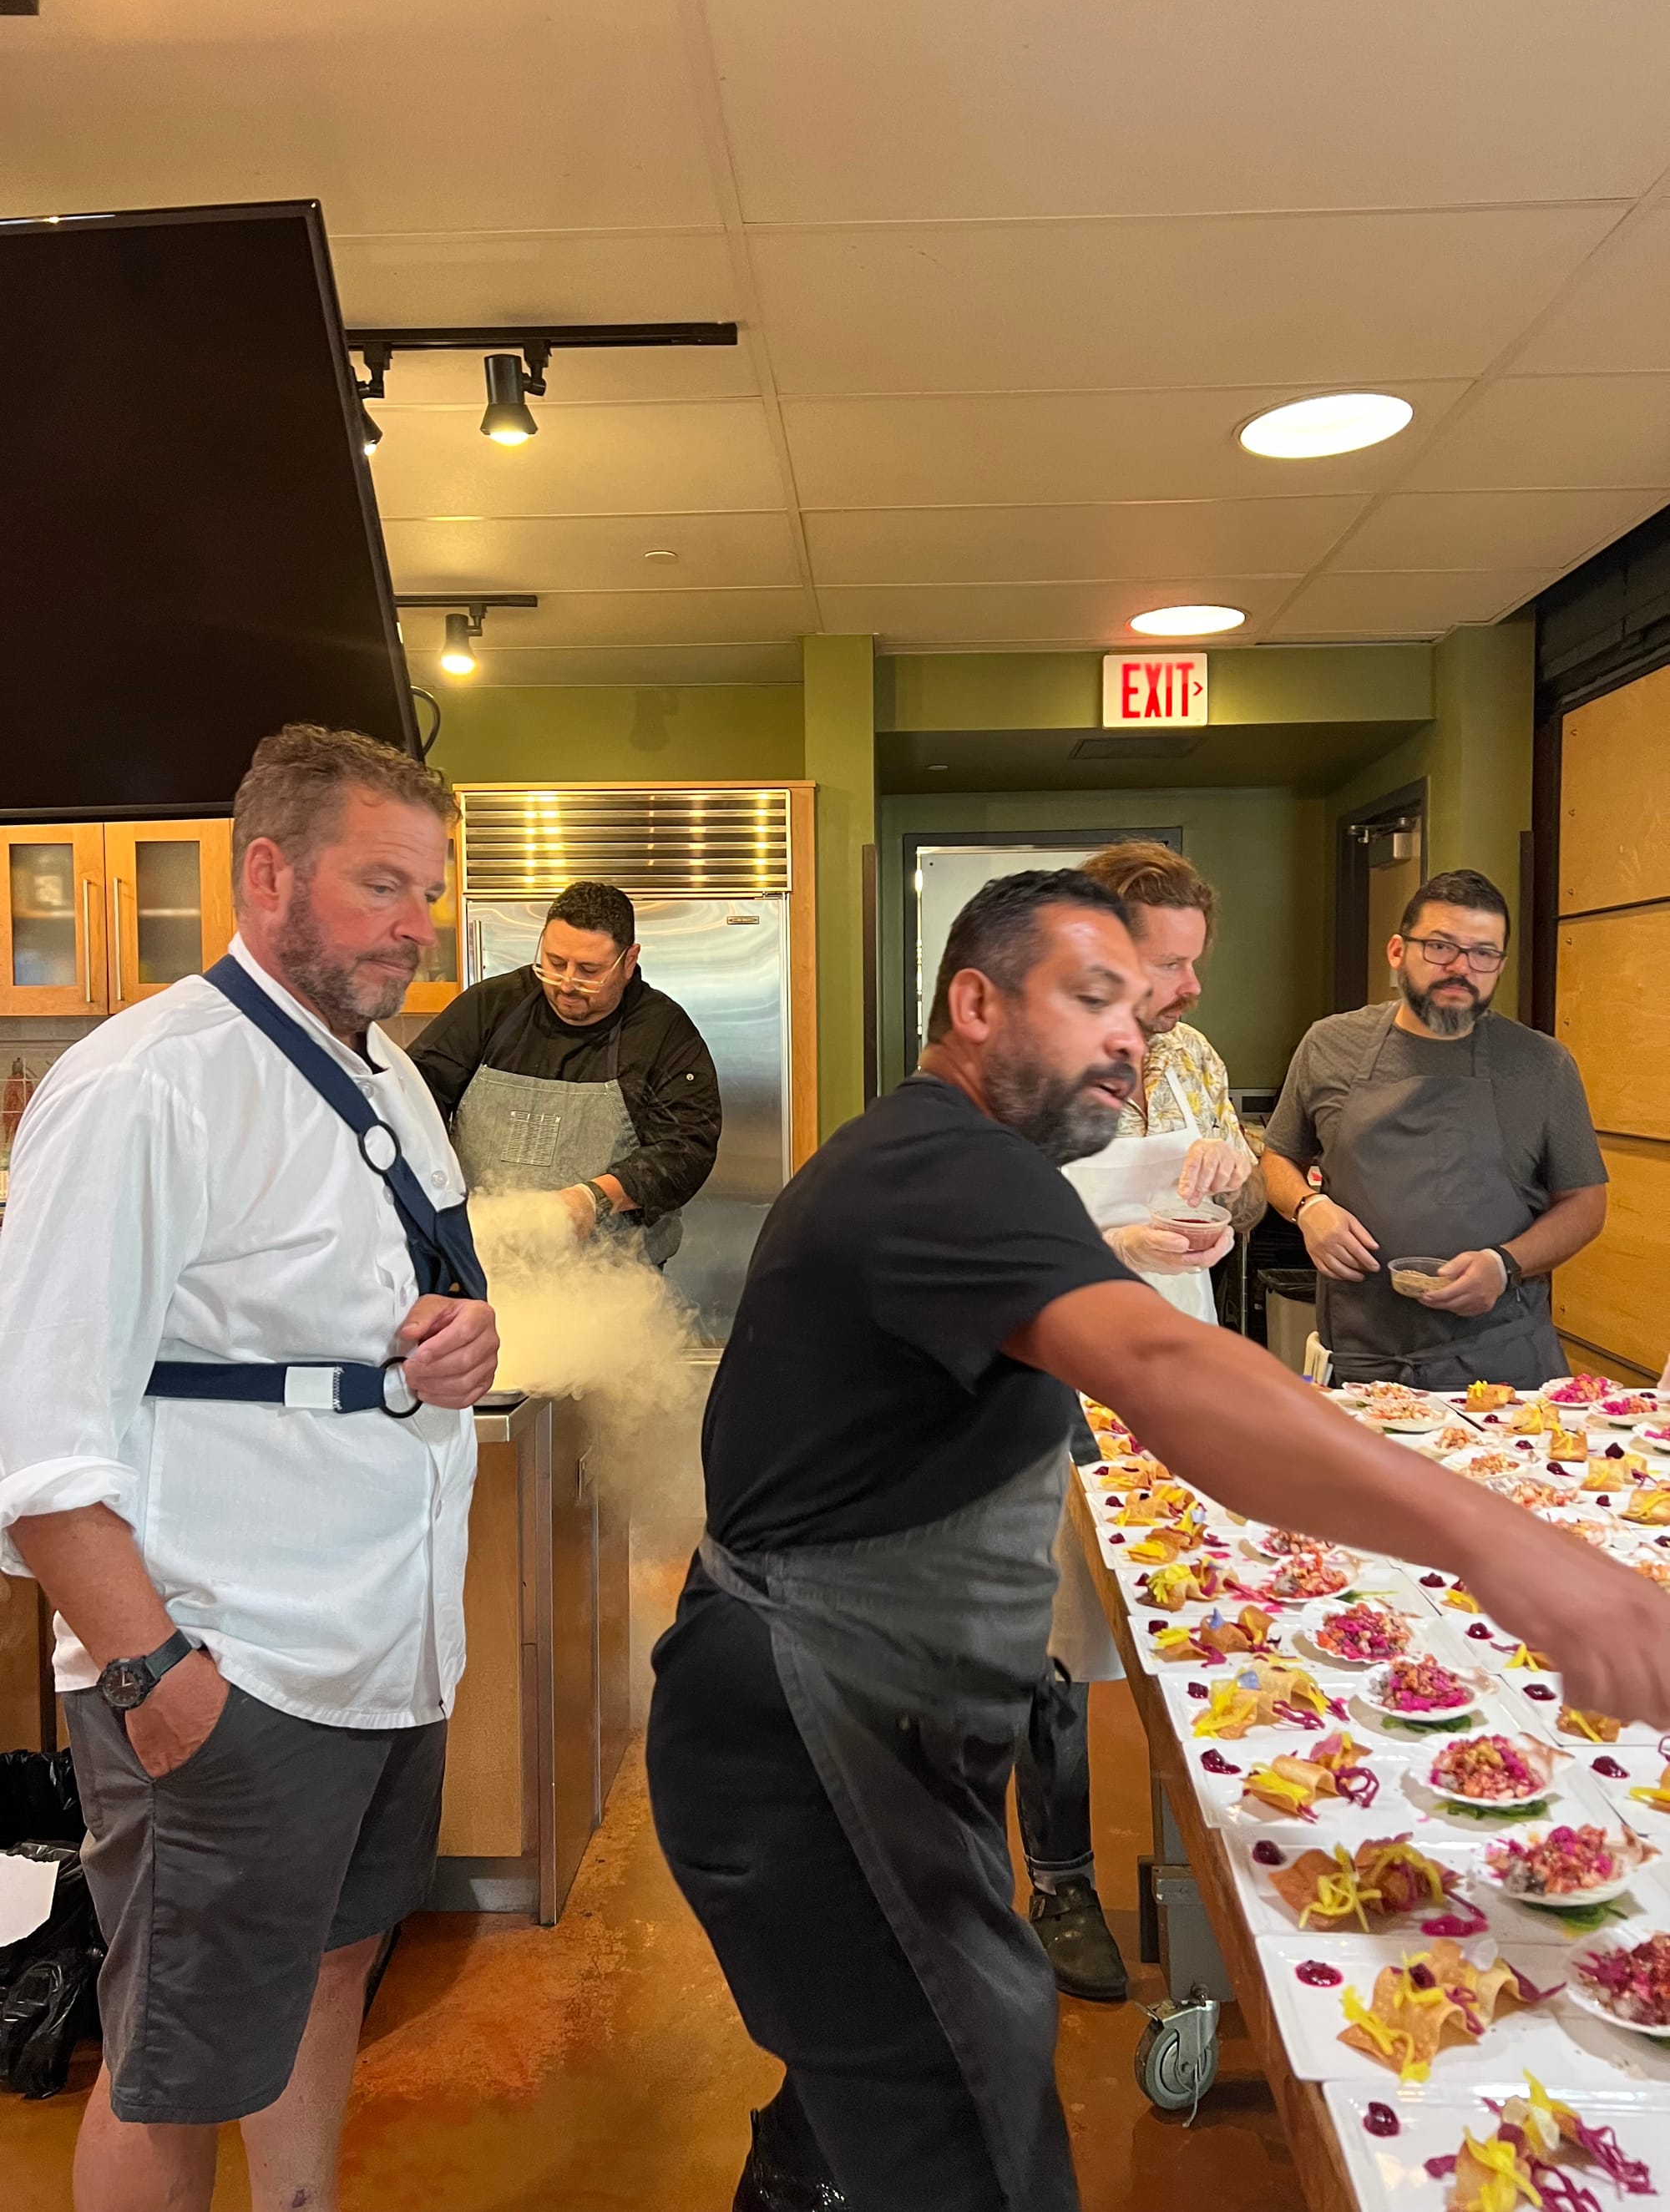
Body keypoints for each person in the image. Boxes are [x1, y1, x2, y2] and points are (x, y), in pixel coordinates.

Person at [646, 867, 1670, 2212]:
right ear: (974, 1002)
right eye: (1091, 997)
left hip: (861, 1714)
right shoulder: (938, 1163)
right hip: (806, 1723)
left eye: (1142, 1002)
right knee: (971, 2131)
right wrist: (1504, 1546)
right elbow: (1163, 1363)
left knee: (885, 2092)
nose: (1133, 1032)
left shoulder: (980, 1159)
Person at [0, 725, 500, 2212]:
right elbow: (37, 1442)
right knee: (175, 2062)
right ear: (268, 871)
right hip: (233, 1658)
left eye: (428, 890)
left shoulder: (391, 1074)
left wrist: (455, 1348)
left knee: (331, 1968)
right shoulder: (147, 1083)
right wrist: (159, 1676)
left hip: (387, 1650)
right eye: (380, 885)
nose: (416, 924)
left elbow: (361, 1312)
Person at [1016, 840, 1265, 2002]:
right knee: (1057, 1639)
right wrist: (1107, 1245)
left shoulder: (1194, 1055)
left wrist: (1231, 1192)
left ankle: (1206, 1871)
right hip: (1055, 1369)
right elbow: (996, 1225)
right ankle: (1061, 1880)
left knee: (1188, 1612)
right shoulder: (1034, 1058)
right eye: (1172, 964)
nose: (1192, 988)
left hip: (1179, 1358)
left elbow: (1243, 1188)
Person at [1261, 868, 1607, 1387]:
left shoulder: (1541, 1064)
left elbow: (1586, 1203)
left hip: (1500, 1362)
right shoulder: (1329, 1045)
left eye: (1483, 954)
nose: (1461, 968)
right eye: (1441, 947)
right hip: (1362, 1358)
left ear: (1500, 965)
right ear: (1398, 951)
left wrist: (1505, 1264)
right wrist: (1308, 1209)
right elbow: (1278, 1157)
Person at [410, 879, 721, 1266]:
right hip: (484, 1261)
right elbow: (411, 1099)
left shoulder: (663, 1033)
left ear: (629, 961)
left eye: (589, 970)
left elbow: (687, 1148)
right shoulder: (490, 1008)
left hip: (613, 1276)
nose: (567, 984)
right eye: (554, 963)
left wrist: (595, 1199)